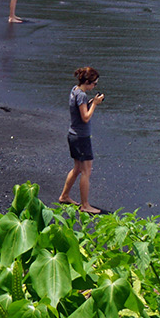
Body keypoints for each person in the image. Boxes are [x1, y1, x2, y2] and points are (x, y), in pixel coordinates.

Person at [57, 66, 104, 214]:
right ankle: (85, 205)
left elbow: (79, 110)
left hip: (73, 135)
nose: (94, 86)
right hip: (81, 137)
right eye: (94, 84)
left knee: (77, 168)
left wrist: (90, 103)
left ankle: (64, 196)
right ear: (88, 82)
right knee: (86, 171)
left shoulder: (75, 90)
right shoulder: (82, 96)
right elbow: (85, 117)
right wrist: (94, 105)